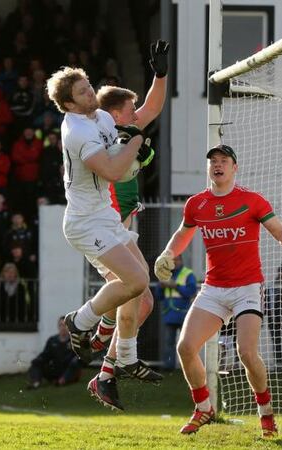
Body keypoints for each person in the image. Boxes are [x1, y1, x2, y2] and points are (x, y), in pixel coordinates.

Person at [153, 144, 282, 436]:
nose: (218, 165)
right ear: (209, 168)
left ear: (234, 167)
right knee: (186, 347)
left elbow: (280, 234)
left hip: (247, 288)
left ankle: (266, 415)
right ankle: (203, 408)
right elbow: (183, 233)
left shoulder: (252, 200)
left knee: (246, 352)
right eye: (213, 161)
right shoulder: (197, 204)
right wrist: (167, 254)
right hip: (214, 288)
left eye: (224, 160)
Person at [45, 66, 150, 379]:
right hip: (84, 222)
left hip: (104, 216)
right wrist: (135, 145)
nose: (90, 93)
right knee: (136, 281)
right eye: (82, 92)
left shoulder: (102, 118)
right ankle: (80, 320)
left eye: (89, 86)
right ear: (70, 105)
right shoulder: (76, 131)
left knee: (140, 288)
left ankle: (126, 359)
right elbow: (113, 172)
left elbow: (142, 117)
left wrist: (160, 77)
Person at [85, 40, 170, 410]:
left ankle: (105, 369)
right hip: (106, 226)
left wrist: (161, 74)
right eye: (131, 109)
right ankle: (96, 332)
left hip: (121, 225)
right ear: (115, 114)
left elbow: (153, 105)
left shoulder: (125, 130)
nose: (139, 114)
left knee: (144, 300)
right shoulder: (99, 135)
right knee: (135, 292)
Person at [156, 254, 197, 371]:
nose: (174, 263)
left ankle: (189, 367)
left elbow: (191, 292)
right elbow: (158, 296)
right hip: (169, 314)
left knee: (187, 343)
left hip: (184, 314)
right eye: (172, 261)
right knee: (169, 343)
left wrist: (175, 286)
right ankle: (169, 368)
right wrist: (160, 286)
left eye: (176, 260)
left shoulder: (188, 273)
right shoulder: (165, 274)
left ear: (181, 261)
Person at [28, 316, 83, 389]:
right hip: (56, 368)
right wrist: (38, 360)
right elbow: (45, 355)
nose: (63, 328)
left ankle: (62, 380)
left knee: (75, 362)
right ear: (58, 327)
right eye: (61, 325)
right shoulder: (52, 341)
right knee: (36, 362)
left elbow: (79, 358)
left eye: (65, 325)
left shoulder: (74, 341)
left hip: (69, 369)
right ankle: (36, 382)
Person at [265, 263, 282, 366]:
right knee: (276, 342)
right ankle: (279, 363)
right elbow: (267, 302)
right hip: (274, 319)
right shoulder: (271, 286)